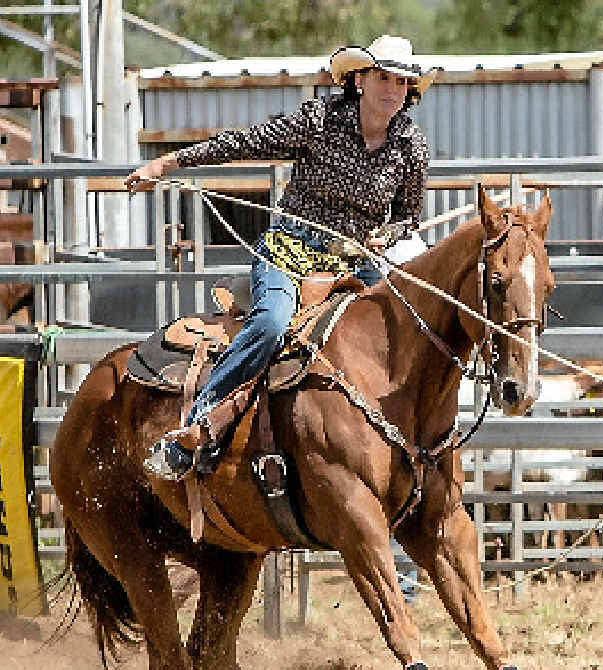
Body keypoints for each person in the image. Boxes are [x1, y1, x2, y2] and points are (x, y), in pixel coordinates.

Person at [126, 35, 436, 482]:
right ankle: (195, 427)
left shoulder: (411, 145)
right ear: (360, 81)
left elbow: (408, 217)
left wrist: (384, 236)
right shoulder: (321, 121)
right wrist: (167, 164)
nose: (392, 89)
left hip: (355, 258)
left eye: (401, 82)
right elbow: (243, 143)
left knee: (408, 329)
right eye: (382, 77)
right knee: (271, 324)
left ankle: (414, 443)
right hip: (292, 248)